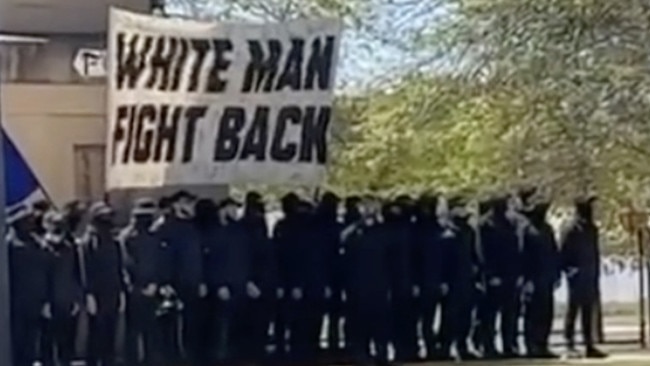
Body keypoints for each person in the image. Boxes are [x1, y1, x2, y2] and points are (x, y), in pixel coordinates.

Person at [158, 191, 208, 366]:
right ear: (177, 205)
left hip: (193, 282)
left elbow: (197, 256)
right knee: (173, 327)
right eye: (188, 203)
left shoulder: (192, 227)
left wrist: (201, 280)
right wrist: (166, 283)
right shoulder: (166, 227)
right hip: (175, 284)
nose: (191, 207)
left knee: (193, 325)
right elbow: (163, 258)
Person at [343, 195, 394, 366]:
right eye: (365, 207)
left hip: (380, 284)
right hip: (358, 285)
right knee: (359, 321)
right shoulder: (351, 233)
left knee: (381, 321)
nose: (369, 210)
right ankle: (361, 353)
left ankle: (382, 352)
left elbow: (391, 260)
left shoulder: (385, 232)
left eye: (372, 206)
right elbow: (344, 261)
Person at [561, 196, 607, 358]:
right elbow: (564, 252)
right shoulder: (571, 228)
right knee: (573, 309)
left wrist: (595, 272)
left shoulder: (591, 229)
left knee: (588, 310)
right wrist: (570, 271)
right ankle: (569, 343)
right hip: (576, 275)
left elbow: (594, 253)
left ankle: (589, 344)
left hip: (590, 274)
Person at [123, 198, 165, 365]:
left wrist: (155, 283)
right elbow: (127, 264)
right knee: (133, 331)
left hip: (151, 289)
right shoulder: (127, 237)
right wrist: (139, 286)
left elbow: (160, 262)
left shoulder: (154, 236)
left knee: (152, 331)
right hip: (135, 291)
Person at [480, 195, 523, 358]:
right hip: (494, 276)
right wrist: (489, 274)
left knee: (509, 313)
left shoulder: (510, 222)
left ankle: (508, 345)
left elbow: (515, 249)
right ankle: (488, 346)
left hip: (510, 274)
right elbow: (482, 251)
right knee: (490, 314)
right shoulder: (485, 224)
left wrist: (518, 273)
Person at [7, 205, 51, 366]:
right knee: (18, 341)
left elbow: (46, 270)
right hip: (17, 302)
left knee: (32, 341)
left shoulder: (37, 243)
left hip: (36, 299)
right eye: (27, 220)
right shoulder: (10, 245)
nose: (31, 223)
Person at [41, 210, 85, 366]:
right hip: (50, 304)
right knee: (48, 344)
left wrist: (77, 300)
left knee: (67, 345)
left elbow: (77, 274)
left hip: (68, 303)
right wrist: (44, 303)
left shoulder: (69, 248)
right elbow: (42, 279)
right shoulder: (42, 249)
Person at [86, 202, 125, 366]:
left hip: (113, 293)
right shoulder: (88, 243)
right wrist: (89, 295)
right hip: (96, 295)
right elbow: (85, 270)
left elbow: (119, 267)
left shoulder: (114, 242)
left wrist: (121, 292)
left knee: (111, 332)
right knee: (96, 334)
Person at [438, 196, 477, 361]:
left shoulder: (468, 230)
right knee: (449, 316)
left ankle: (463, 346)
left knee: (465, 315)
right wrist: (442, 280)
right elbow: (440, 260)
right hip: (451, 280)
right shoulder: (446, 231)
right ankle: (445, 347)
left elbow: (474, 254)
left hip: (466, 278)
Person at [242, 192, 278, 365]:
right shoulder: (249, 227)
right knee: (254, 323)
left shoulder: (256, 225)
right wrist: (248, 281)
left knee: (259, 322)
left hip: (263, 280)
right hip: (254, 280)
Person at [522, 197, 560, 358]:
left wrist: (556, 274)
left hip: (547, 277)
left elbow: (554, 252)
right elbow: (522, 256)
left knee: (546, 312)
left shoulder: (547, 229)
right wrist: (526, 279)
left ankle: (543, 344)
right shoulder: (526, 229)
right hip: (533, 278)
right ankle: (531, 345)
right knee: (532, 313)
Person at [384, 197, 418, 362]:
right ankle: (401, 350)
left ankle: (407, 349)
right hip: (396, 281)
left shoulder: (410, 231)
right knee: (399, 318)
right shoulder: (406, 231)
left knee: (407, 318)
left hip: (406, 281)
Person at [414, 195, 444, 360]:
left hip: (433, 278)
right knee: (425, 317)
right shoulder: (422, 230)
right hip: (424, 279)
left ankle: (431, 345)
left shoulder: (434, 229)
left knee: (429, 316)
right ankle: (427, 345)